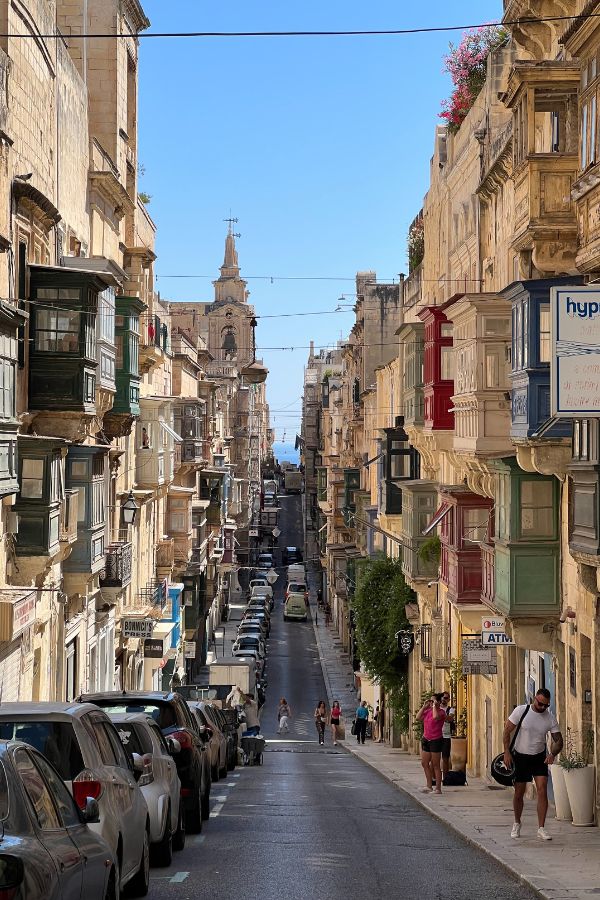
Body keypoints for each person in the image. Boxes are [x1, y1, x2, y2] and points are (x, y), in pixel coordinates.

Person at [503, 688, 563, 841]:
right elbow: (507, 730)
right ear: (534, 698)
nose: (542, 707)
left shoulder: (550, 718)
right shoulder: (521, 711)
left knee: (542, 789)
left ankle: (541, 828)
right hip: (521, 757)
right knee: (519, 793)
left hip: (539, 757)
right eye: (540, 703)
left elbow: (559, 741)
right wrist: (507, 752)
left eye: (546, 705)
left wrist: (552, 754)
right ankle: (517, 823)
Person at [417, 692, 446, 794]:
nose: (431, 703)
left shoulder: (442, 712)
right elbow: (418, 717)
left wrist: (434, 706)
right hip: (426, 739)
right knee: (424, 763)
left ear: (438, 702)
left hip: (436, 740)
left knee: (436, 765)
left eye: (433, 701)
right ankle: (429, 786)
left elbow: (435, 717)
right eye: (431, 701)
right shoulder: (428, 711)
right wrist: (424, 707)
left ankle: (438, 788)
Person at [440, 691, 455, 778]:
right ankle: (435, 778)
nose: (443, 699)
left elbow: (450, 718)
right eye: (442, 697)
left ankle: (445, 778)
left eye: (445, 698)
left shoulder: (451, 709)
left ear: (448, 700)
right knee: (435, 759)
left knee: (445, 758)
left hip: (446, 736)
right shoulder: (436, 708)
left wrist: (440, 714)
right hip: (436, 735)